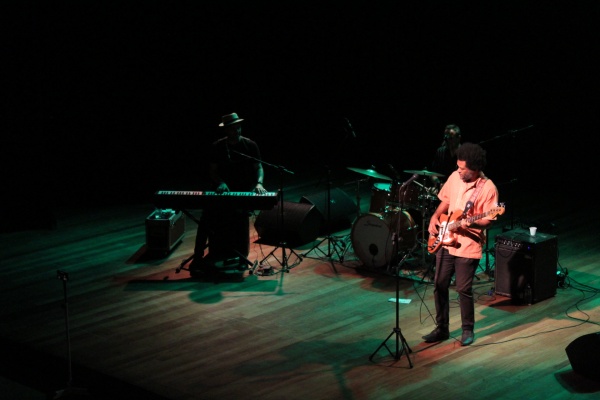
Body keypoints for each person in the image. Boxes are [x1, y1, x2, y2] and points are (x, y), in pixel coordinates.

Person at [422, 142, 499, 346]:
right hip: (447, 241)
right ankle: (442, 328)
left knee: (463, 289)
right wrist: (435, 216)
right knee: (439, 284)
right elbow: (446, 200)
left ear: (474, 168)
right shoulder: (455, 177)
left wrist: (471, 221)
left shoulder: (488, 188)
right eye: (458, 166)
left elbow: (489, 220)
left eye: (463, 168)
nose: (458, 170)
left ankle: (467, 329)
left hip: (467, 244)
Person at [189, 112, 268, 275]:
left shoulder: (250, 145)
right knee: (206, 221)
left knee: (240, 220)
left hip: (243, 192)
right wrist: (221, 182)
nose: (236, 131)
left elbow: (258, 167)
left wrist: (259, 183)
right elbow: (212, 171)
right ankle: (198, 257)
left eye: (238, 128)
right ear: (226, 130)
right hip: (222, 193)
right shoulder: (218, 146)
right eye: (233, 129)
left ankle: (241, 259)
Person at [430, 124, 462, 191]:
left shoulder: (466, 154)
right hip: (442, 192)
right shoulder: (440, 151)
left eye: (450, 138)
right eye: (446, 138)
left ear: (458, 138)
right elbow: (432, 173)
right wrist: (438, 183)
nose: (447, 140)